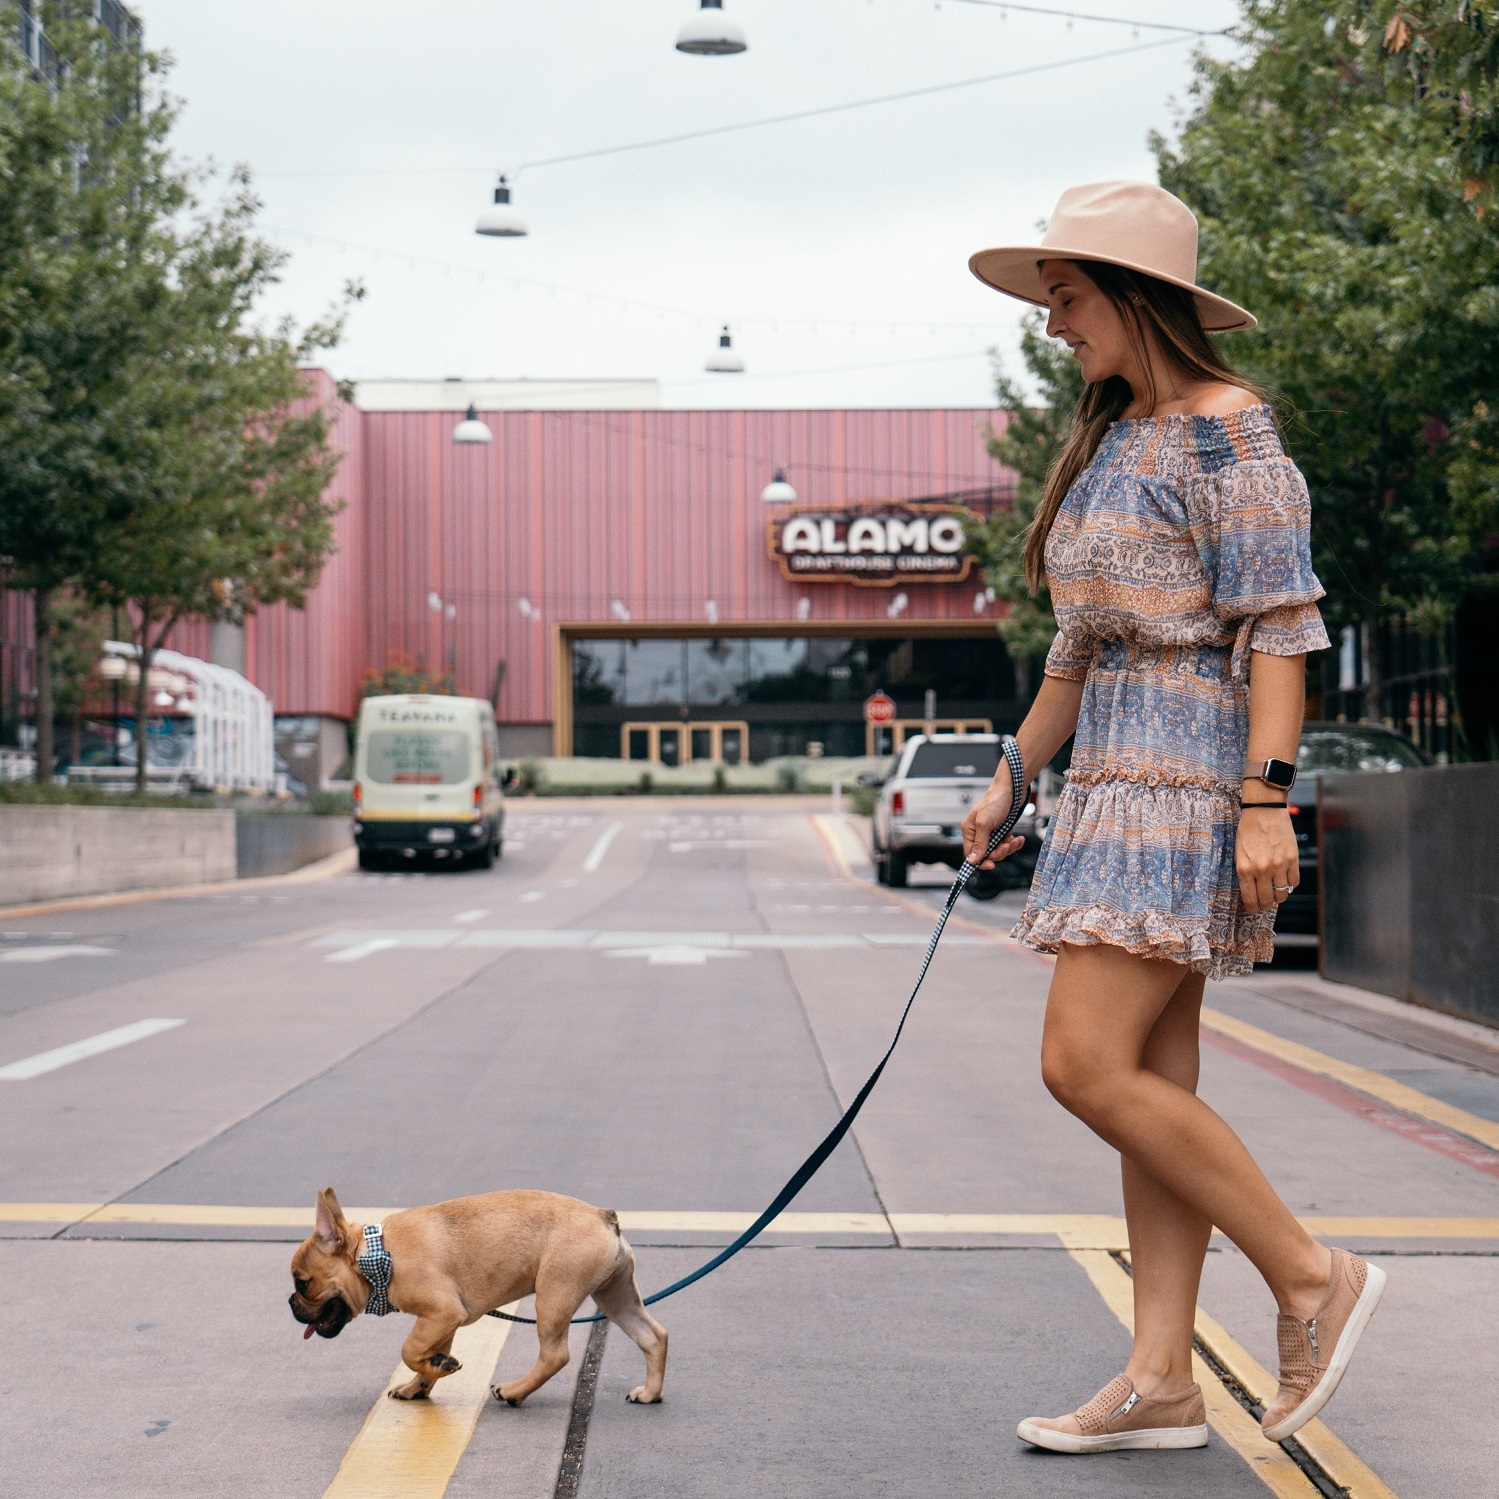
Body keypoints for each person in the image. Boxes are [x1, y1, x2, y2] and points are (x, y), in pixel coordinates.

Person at [961, 181, 1385, 1454]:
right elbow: (1077, 646)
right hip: (1105, 782)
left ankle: (1309, 1273)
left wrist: (1264, 801)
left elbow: (1279, 629)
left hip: (1187, 783)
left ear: (1133, 295)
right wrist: (1011, 771)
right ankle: (1161, 1377)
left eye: (1065, 298)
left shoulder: (1225, 432)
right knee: (1146, 1080)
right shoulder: (1114, 438)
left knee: (1080, 1064)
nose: (1051, 325)